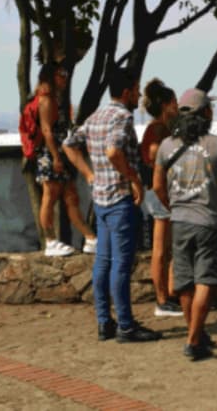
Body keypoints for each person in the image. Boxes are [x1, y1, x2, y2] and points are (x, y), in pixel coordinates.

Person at [63, 68, 161, 344]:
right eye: (137, 90)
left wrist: (89, 174)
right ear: (127, 92)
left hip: (100, 200)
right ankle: (126, 326)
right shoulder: (122, 117)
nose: (139, 96)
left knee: (103, 263)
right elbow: (113, 150)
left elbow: (69, 144)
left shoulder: (96, 116)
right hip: (120, 199)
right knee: (121, 265)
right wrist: (134, 179)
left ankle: (104, 322)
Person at [152, 88, 217, 361]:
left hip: (179, 221)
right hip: (208, 221)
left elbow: (157, 186)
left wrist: (172, 205)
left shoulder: (166, 146)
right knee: (206, 279)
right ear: (206, 113)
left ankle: (196, 333)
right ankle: (194, 340)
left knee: (185, 282)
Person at [34, 62, 97, 257]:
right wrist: (55, 157)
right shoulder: (46, 100)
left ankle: (90, 238)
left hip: (60, 153)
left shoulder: (56, 98)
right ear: (51, 76)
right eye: (61, 74)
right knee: (50, 196)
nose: (65, 78)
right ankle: (50, 241)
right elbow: (47, 131)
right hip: (51, 154)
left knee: (71, 197)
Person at [140, 78, 182, 317]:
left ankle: (167, 295)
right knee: (160, 249)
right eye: (174, 102)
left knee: (166, 248)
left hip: (160, 190)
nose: (177, 106)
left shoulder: (159, 128)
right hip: (160, 191)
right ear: (166, 104)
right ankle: (162, 298)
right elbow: (154, 152)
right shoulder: (158, 129)